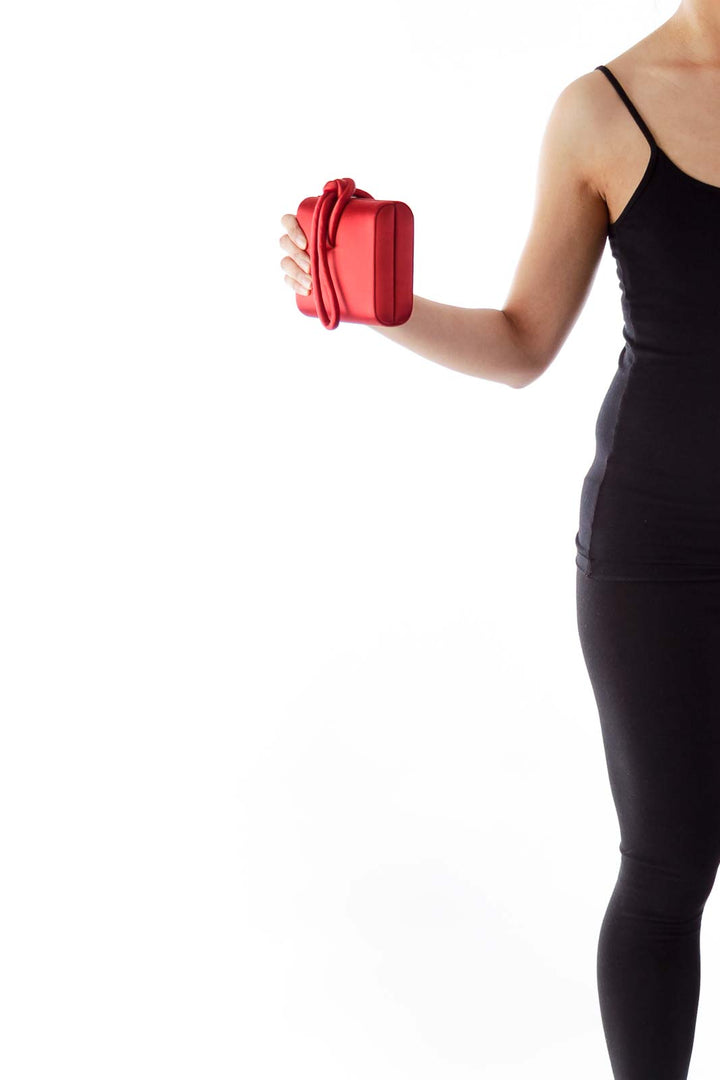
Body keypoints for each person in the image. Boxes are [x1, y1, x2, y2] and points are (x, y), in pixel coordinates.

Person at [278, 5, 720, 1077]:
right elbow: (525, 341)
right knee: (667, 872)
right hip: (656, 551)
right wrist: (369, 302)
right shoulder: (601, 111)